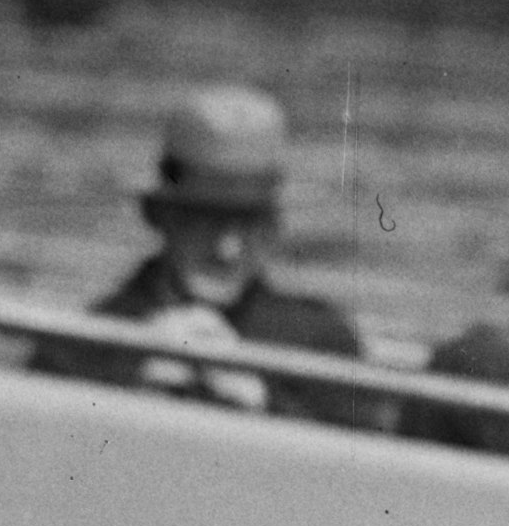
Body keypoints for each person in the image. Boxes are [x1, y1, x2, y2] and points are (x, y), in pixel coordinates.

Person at [66, 87, 383, 421]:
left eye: (248, 223)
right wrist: (128, 388)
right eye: (207, 219)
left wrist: (265, 406)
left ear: (272, 228)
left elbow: (366, 461)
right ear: (162, 217)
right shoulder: (88, 339)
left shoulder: (321, 344)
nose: (227, 250)